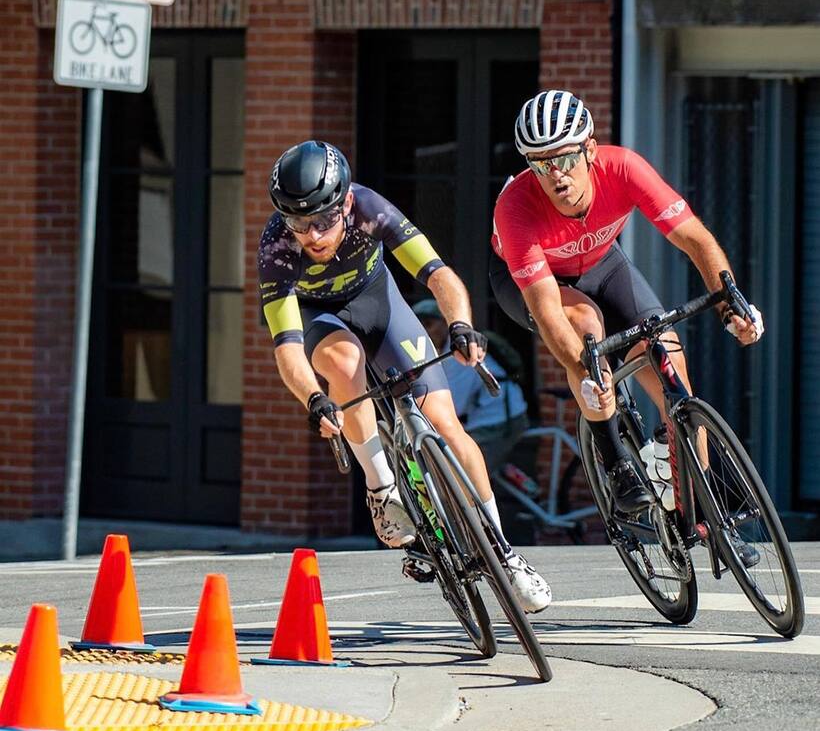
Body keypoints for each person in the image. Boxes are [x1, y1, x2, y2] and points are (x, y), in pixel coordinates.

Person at [258, 139, 551, 611]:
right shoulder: (277, 248)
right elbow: (288, 345)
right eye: (298, 222)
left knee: (445, 423)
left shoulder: (370, 209)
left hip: (379, 304)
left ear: (345, 204)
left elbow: (438, 274)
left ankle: (503, 551)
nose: (312, 235)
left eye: (323, 220)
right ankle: (381, 486)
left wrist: (459, 325)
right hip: (321, 320)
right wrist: (314, 398)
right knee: (345, 364)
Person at [490, 90, 763, 563]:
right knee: (585, 325)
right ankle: (614, 458)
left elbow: (695, 239)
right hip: (535, 283)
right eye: (540, 164)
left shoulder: (623, 168)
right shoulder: (515, 208)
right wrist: (586, 370)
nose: (555, 175)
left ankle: (709, 516)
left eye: (564, 158)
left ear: (590, 150)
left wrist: (729, 302)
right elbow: (550, 312)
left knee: (670, 365)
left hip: (603, 263)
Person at [412, 299, 529, 474]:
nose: (425, 331)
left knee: (462, 475)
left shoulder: (459, 354)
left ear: (445, 323)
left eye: (428, 324)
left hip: (498, 422)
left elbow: (454, 406)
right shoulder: (442, 351)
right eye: (419, 327)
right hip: (486, 419)